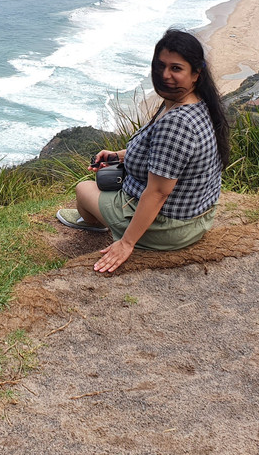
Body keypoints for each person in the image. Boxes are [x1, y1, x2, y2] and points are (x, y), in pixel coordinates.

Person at [56, 28, 230, 273]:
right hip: (197, 216)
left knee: (84, 189)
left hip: (169, 228)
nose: (165, 75)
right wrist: (118, 156)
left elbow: (158, 192)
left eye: (176, 68)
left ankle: (93, 223)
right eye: (160, 66)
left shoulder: (177, 123)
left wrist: (126, 243)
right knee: (102, 184)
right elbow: (164, 155)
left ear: (196, 74)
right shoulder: (196, 103)